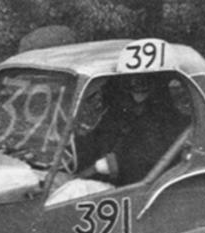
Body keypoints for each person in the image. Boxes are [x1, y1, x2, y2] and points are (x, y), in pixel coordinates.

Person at [45, 73, 189, 206]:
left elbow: (147, 160)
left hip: (130, 192)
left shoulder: (167, 122)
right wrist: (67, 148)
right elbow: (94, 143)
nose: (137, 89)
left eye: (143, 83)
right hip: (101, 181)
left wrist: (108, 165)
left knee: (74, 189)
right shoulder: (117, 116)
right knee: (47, 181)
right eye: (132, 84)